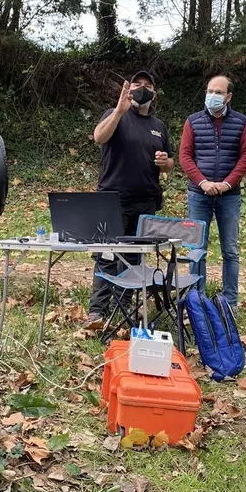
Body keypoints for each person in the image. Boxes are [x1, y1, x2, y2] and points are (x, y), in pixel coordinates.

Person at [86, 71, 174, 327]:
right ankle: (97, 311)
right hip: (112, 199)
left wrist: (164, 162)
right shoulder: (115, 115)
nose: (142, 89)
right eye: (138, 84)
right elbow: (99, 137)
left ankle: (123, 308)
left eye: (148, 86)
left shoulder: (159, 127)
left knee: (135, 257)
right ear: (129, 88)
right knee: (108, 255)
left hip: (146, 201)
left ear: (154, 94)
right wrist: (118, 111)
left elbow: (169, 163)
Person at [179, 75, 246, 306]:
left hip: (229, 196)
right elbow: (185, 156)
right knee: (196, 249)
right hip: (198, 195)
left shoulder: (241, 122)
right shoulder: (192, 122)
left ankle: (230, 302)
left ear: (228, 96)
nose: (212, 95)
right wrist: (202, 182)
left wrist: (227, 183)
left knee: (230, 249)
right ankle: (196, 298)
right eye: (210, 91)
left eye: (218, 92)